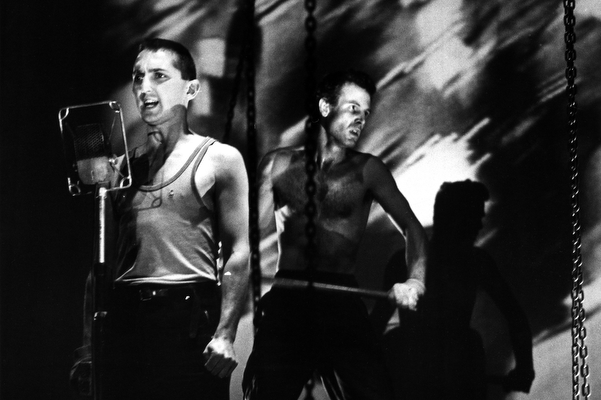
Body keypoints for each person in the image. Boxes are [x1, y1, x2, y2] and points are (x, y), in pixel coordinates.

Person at [70, 38, 250, 400]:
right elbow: (99, 269)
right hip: (126, 323)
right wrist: (89, 350)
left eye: (159, 76)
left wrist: (225, 333)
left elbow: (239, 252)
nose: (144, 87)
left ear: (191, 89)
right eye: (138, 77)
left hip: (188, 321)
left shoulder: (220, 160)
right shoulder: (120, 171)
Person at [242, 70, 428, 400]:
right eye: (353, 108)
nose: (361, 120)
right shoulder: (278, 164)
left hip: (341, 300)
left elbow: (412, 228)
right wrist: (226, 256)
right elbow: (248, 235)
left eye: (366, 113)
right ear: (325, 107)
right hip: (289, 298)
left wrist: (415, 281)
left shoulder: (369, 170)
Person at [372, 180, 535, 399]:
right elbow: (516, 317)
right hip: (430, 374)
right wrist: (524, 369)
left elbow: (375, 326)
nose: (479, 226)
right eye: (475, 217)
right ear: (455, 218)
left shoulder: (474, 262)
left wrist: (525, 368)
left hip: (431, 373)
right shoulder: (476, 262)